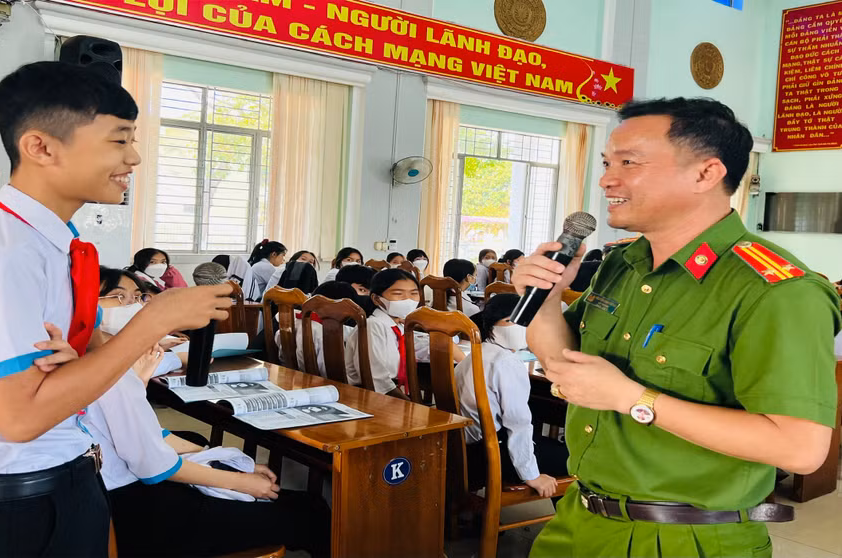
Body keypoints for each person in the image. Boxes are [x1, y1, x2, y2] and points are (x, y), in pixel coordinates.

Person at [514, 97, 840, 557]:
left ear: (706, 174)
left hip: (686, 537)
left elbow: (801, 449)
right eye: (608, 162)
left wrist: (634, 398)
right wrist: (545, 300)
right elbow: (563, 363)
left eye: (630, 162)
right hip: (580, 517)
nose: (607, 178)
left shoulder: (776, 290)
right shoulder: (622, 263)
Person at [0, 61, 232, 556]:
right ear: (41, 147)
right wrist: (154, 321)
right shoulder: (0, 257)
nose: (135, 157)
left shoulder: (55, 245)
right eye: (119, 140)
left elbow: (80, 368)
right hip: (14, 506)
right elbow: (21, 418)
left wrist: (79, 362)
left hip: (66, 477)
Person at [71, 335, 331, 557]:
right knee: (307, 514)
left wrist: (221, 460)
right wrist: (239, 481)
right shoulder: (112, 371)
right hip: (136, 514)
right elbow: (155, 466)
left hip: (117, 502)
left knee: (298, 504)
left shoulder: (88, 365)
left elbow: (150, 437)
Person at [456, 293, 567, 497]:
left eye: (527, 319)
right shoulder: (506, 362)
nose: (521, 326)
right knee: (571, 458)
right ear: (491, 324)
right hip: (492, 454)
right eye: (511, 320)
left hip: (466, 450)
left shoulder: (478, 352)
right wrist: (531, 475)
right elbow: (518, 424)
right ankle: (567, 524)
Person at [346, 269, 465, 398]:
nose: (408, 300)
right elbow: (377, 381)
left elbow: (429, 345)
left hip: (390, 392)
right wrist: (408, 404)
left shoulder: (398, 326)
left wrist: (426, 326)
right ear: (376, 299)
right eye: (398, 293)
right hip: (370, 396)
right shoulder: (373, 326)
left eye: (414, 293)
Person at [98, 266, 186, 375]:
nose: (133, 305)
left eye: (137, 297)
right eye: (118, 296)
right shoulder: (81, 349)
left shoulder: (113, 341)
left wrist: (145, 346)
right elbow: (121, 375)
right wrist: (176, 359)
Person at [280, 281, 361, 376]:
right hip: (325, 385)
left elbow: (281, 357)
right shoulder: (326, 335)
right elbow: (332, 374)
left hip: (291, 375)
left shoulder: (289, 322)